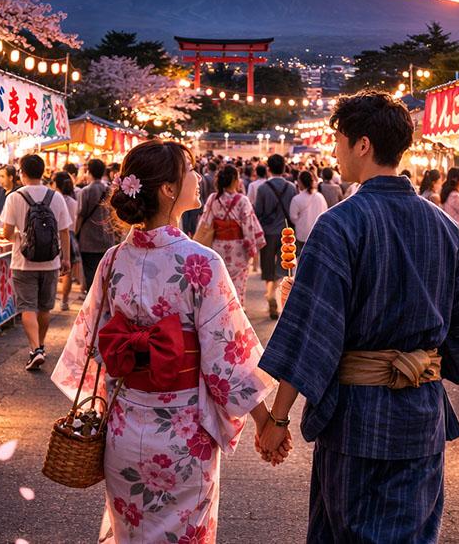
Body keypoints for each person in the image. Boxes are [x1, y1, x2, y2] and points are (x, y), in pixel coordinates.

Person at [257, 92, 459, 542]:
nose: (336, 150)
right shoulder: (442, 224)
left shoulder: (340, 224)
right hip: (422, 415)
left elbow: (313, 331)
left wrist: (278, 419)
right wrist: (429, 362)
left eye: (339, 139)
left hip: (357, 420)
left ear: (363, 144)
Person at [50, 140, 284, 543]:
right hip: (182, 434)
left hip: (123, 430)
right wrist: (268, 422)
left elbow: (92, 348)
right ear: (168, 190)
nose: (197, 177)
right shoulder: (200, 263)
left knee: (130, 534)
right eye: (190, 170)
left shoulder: (112, 261)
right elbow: (225, 360)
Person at [2, 154, 73, 371]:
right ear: (43, 173)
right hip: (51, 262)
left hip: (23, 263)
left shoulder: (15, 197)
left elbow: (6, 233)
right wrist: (67, 258)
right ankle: (39, 346)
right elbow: (64, 232)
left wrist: (20, 238)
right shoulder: (56, 197)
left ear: (22, 173)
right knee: (44, 308)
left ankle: (36, 348)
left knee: (27, 307)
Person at [197, 164, 265, 304]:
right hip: (238, 248)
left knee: (219, 282)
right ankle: (237, 310)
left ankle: (221, 309)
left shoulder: (213, 198)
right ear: (235, 179)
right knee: (238, 285)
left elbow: (205, 223)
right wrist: (252, 247)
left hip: (218, 247)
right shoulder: (242, 200)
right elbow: (248, 226)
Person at [255, 153, 297, 319]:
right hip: (286, 231)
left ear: (269, 169)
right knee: (284, 263)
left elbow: (258, 212)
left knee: (268, 264)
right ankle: (276, 295)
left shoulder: (263, 189)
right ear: (284, 168)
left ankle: (269, 293)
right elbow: (293, 213)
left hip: (268, 231)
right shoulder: (292, 187)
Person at [76, 159, 115, 293]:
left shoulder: (86, 191)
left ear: (89, 172)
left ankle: (93, 301)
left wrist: (76, 233)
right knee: (105, 273)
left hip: (88, 240)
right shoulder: (109, 190)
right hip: (107, 238)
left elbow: (81, 215)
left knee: (91, 273)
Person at [54, 171, 86, 312]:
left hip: (56, 235)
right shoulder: (74, 202)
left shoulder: (54, 200)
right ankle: (64, 301)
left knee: (54, 269)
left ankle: (51, 297)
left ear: (56, 184)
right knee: (67, 271)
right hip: (71, 236)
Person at [288, 170, 328, 258]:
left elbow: (293, 217)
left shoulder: (297, 199)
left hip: (303, 233)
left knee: (303, 257)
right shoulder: (320, 196)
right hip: (318, 232)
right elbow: (325, 211)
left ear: (301, 183)